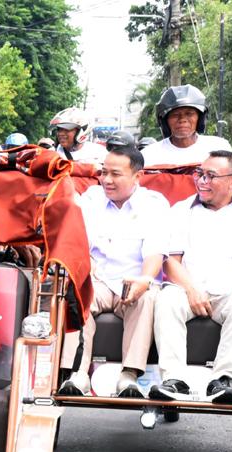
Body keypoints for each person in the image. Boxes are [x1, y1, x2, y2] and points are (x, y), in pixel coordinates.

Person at [57, 146, 166, 398]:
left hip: (134, 280)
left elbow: (155, 252)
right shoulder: (91, 199)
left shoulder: (154, 204)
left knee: (148, 297)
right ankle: (77, 374)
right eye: (104, 172)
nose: (107, 180)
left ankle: (128, 376)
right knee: (75, 292)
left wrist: (145, 279)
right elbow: (76, 241)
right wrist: (84, 265)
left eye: (115, 174)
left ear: (137, 176)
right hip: (99, 280)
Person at [150, 150, 232, 405]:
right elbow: (170, 261)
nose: (202, 181)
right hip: (188, 287)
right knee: (166, 300)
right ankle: (174, 380)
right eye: (200, 174)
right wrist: (191, 289)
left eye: (211, 176)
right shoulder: (181, 209)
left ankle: (223, 381)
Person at [142, 85, 232, 167]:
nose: (182, 119)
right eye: (175, 115)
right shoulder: (149, 155)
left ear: (200, 118)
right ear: (165, 121)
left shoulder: (219, 147)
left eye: (189, 114)